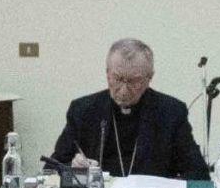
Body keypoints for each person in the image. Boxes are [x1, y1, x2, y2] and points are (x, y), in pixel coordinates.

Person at [53, 38, 208, 180]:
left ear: (149, 78)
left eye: (134, 81)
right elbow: (52, 166)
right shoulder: (83, 110)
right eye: (118, 79)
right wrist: (73, 168)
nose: (124, 90)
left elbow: (198, 173)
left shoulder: (171, 112)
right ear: (107, 74)